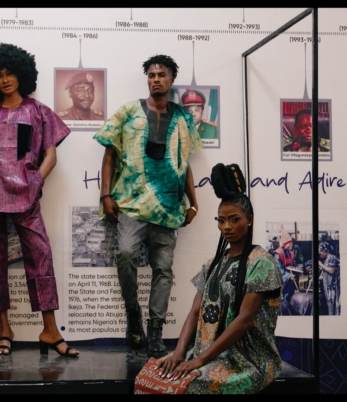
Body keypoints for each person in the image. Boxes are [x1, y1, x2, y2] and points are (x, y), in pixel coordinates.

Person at [0, 43, 77, 357]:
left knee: (41, 255)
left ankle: (50, 330)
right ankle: (4, 329)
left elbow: (51, 155)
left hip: (26, 195)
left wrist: (35, 181)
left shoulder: (38, 111)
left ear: (22, 74)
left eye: (10, 73)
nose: (5, 79)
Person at [94, 54, 202, 356]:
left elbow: (185, 163)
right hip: (131, 203)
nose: (156, 79)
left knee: (163, 269)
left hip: (168, 206)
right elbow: (109, 154)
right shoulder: (128, 111)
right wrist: (106, 195)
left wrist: (194, 204)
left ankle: (155, 331)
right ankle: (133, 315)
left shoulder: (182, 118)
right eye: (152, 75)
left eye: (161, 75)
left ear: (171, 79)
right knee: (126, 254)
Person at [154, 163, 283, 394]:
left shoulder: (261, 263)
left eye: (234, 219)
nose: (226, 227)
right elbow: (195, 312)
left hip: (248, 360)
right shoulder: (212, 264)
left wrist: (200, 360)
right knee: (157, 375)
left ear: (250, 220)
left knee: (191, 385)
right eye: (221, 220)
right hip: (209, 353)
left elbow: (245, 319)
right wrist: (180, 353)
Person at [318, 242, 340, 315]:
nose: (320, 254)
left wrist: (321, 265)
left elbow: (331, 270)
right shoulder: (326, 259)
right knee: (330, 306)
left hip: (332, 287)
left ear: (324, 251)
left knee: (333, 307)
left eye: (320, 252)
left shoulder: (332, 257)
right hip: (328, 287)